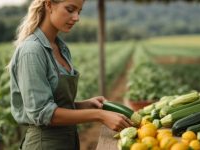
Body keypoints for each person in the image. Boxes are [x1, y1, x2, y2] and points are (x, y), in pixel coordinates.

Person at [8, 0, 133, 149]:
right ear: (49, 5)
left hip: (68, 141)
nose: (76, 17)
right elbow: (42, 113)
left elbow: (55, 104)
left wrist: (83, 105)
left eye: (79, 12)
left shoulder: (61, 48)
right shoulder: (32, 51)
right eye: (70, 9)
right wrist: (98, 115)